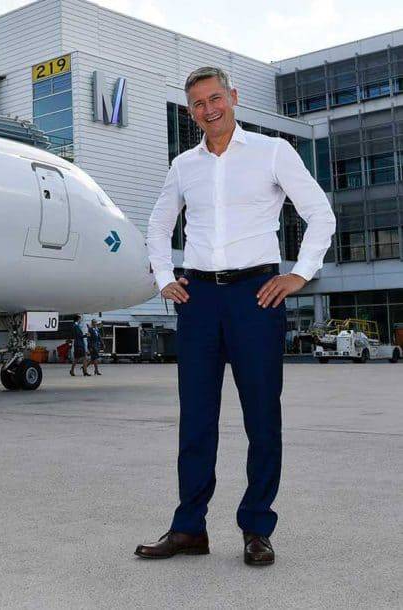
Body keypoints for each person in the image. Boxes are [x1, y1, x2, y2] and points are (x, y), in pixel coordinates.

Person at [136, 67, 335, 566]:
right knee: (196, 421)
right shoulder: (184, 165)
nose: (209, 109)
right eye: (199, 104)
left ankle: (256, 527)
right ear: (191, 113)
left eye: (216, 98)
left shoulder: (272, 152)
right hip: (198, 300)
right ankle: (189, 529)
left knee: (262, 419)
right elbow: (159, 225)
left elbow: (320, 213)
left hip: (256, 297)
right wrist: (164, 276)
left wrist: (300, 274)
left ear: (234, 97)